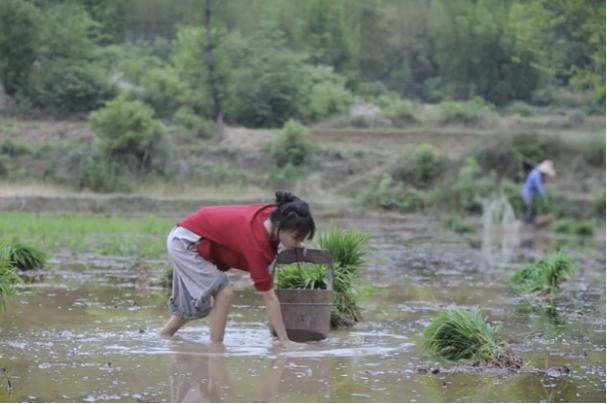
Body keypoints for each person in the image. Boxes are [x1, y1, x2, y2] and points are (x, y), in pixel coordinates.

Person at [159, 191, 315, 347]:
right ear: (280, 227)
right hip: (186, 242)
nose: (299, 242)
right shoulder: (256, 244)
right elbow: (269, 297)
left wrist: (295, 243)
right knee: (224, 292)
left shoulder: (273, 214)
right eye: (296, 238)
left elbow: (281, 235)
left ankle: (165, 335)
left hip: (191, 236)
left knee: (193, 304)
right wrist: (284, 340)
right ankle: (216, 348)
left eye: (302, 238)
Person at [521, 160, 556, 225]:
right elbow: (539, 188)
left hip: (530, 196)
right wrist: (545, 197)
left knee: (531, 211)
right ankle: (526, 226)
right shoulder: (535, 175)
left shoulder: (538, 174)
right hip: (527, 195)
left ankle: (528, 225)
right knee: (529, 210)